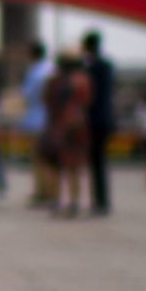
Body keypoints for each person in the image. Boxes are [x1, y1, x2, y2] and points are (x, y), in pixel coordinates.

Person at [43, 52, 92, 219]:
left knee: (56, 165)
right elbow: (87, 101)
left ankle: (57, 201)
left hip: (60, 125)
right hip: (79, 125)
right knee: (74, 167)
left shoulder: (54, 82)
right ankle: (74, 203)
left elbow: (47, 102)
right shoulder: (83, 80)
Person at [82, 31, 115, 217]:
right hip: (107, 118)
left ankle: (100, 202)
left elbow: (90, 98)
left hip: (95, 121)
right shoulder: (108, 66)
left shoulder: (92, 69)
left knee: (96, 162)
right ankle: (102, 200)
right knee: (100, 161)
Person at [19, 41, 54, 206]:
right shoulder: (51, 69)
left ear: (32, 55)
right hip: (51, 118)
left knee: (39, 159)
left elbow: (27, 94)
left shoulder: (34, 72)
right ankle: (51, 191)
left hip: (36, 119)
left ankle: (42, 192)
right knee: (49, 158)